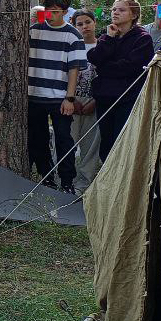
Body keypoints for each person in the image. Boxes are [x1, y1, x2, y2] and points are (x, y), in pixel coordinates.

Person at [25, 0, 86, 191]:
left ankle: (67, 180)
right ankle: (46, 175)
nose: (50, 15)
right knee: (38, 138)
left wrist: (70, 98)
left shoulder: (73, 35)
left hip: (59, 97)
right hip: (34, 95)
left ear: (66, 12)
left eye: (55, 11)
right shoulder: (34, 30)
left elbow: (74, 70)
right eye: (48, 10)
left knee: (63, 139)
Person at [88, 0, 155, 162]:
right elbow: (94, 57)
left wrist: (104, 67)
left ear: (133, 15)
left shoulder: (142, 38)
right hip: (105, 97)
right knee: (107, 142)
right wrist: (109, 39)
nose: (115, 12)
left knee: (122, 142)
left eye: (121, 9)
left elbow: (129, 67)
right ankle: (106, 182)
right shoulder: (108, 34)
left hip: (127, 98)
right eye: (114, 9)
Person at [70, 10, 102, 193]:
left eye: (87, 22)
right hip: (71, 102)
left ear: (94, 22)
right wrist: (70, 99)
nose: (84, 27)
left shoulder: (103, 46)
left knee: (91, 147)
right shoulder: (71, 46)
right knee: (67, 143)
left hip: (94, 101)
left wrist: (95, 101)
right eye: (80, 24)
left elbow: (107, 77)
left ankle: (84, 186)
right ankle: (64, 181)